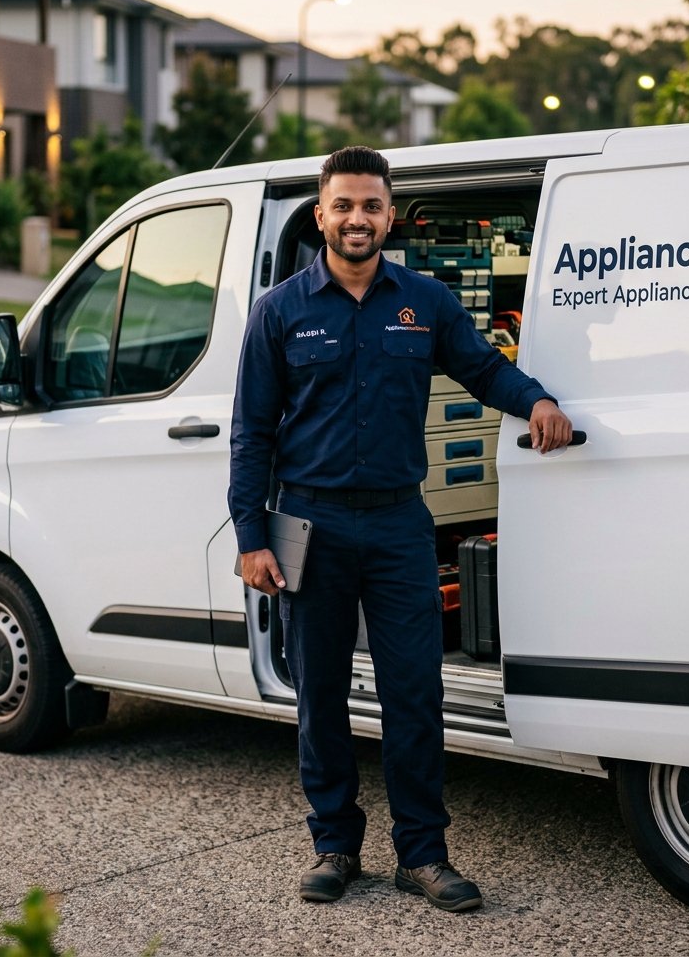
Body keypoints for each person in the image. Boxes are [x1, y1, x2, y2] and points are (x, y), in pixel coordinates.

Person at [228, 146, 572, 913]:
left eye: (372, 205)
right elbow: (251, 431)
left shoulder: (424, 300)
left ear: (391, 215)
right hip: (307, 521)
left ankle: (423, 855)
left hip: (397, 525)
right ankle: (334, 847)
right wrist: (251, 537)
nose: (358, 218)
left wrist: (538, 401)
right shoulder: (279, 310)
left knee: (413, 693)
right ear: (320, 216)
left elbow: (485, 370)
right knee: (318, 692)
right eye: (343, 205)